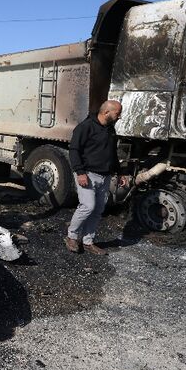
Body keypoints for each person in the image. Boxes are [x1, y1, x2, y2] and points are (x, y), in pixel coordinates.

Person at [65, 100, 127, 255]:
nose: (120, 116)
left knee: (98, 210)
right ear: (106, 112)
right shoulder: (85, 127)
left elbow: (112, 153)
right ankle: (72, 236)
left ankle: (88, 242)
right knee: (87, 206)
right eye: (117, 113)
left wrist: (119, 173)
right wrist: (80, 172)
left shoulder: (110, 129)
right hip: (88, 174)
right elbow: (74, 150)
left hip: (105, 176)